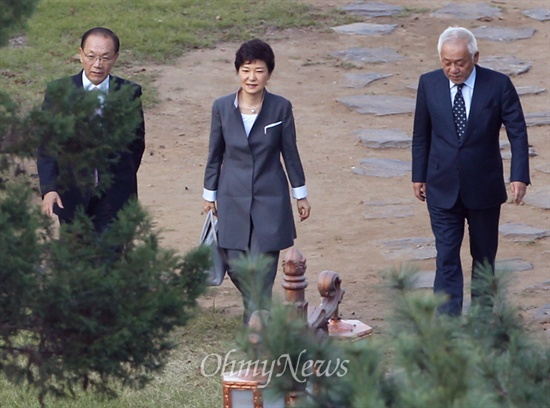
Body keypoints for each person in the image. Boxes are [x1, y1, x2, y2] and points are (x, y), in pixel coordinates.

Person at [412, 26, 530, 316]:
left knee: (484, 258)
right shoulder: (428, 84)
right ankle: (447, 324)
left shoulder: (498, 85)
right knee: (447, 256)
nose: (453, 69)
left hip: (484, 187)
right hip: (441, 185)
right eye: (447, 62)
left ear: (475, 57)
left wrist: (519, 175)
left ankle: (483, 320)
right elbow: (421, 134)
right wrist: (418, 174)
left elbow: (517, 132)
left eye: (460, 62)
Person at [202, 39, 311, 322]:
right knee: (237, 264)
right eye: (246, 70)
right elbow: (215, 154)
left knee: (263, 267)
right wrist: (209, 194)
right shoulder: (222, 107)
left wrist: (300, 194)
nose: (252, 77)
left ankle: (256, 328)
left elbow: (290, 152)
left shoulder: (280, 108)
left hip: (270, 199)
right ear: (238, 71)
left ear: (269, 74)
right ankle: (260, 312)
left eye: (259, 70)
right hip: (232, 196)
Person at [37, 27, 145, 234]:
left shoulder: (129, 93)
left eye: (105, 58)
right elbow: (47, 145)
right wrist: (49, 188)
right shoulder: (59, 92)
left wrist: (121, 176)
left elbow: (136, 143)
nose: (97, 65)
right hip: (71, 197)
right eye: (91, 56)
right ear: (80, 54)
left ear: (115, 58)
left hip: (114, 198)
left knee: (110, 260)